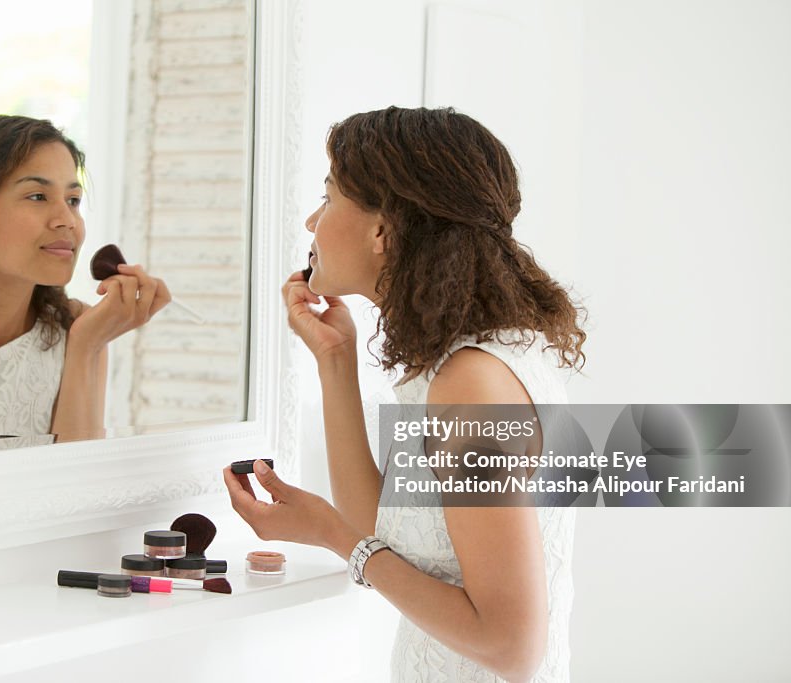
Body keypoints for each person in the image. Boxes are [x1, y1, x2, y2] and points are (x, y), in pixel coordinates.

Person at [223, 106, 586, 682]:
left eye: (330, 197)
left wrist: (330, 534)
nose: (312, 222)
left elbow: (511, 646)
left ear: (383, 229)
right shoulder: (462, 365)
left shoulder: (472, 385)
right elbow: (393, 535)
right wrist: (334, 360)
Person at [0, 115, 170, 454]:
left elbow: (78, 487)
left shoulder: (78, 328)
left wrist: (86, 346)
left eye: (73, 200)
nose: (67, 221)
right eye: (37, 196)